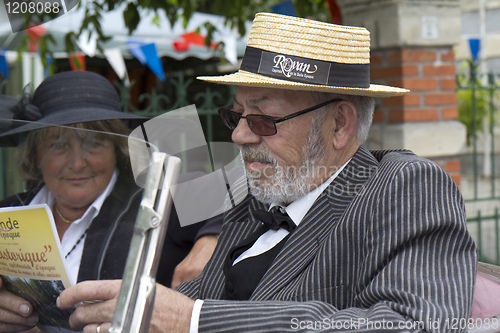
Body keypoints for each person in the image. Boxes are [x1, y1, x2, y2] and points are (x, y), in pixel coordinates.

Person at [55, 13, 478, 333]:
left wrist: (195, 320)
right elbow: (189, 301)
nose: (239, 135)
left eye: (264, 119)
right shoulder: (261, 194)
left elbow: (416, 324)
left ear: (340, 124)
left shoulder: (404, 186)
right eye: (237, 114)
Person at [0, 71, 221, 332]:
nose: (77, 162)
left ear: (116, 149)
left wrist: (213, 239)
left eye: (94, 143)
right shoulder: (9, 212)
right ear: (35, 154)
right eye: (58, 145)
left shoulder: (154, 200)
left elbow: (236, 194)